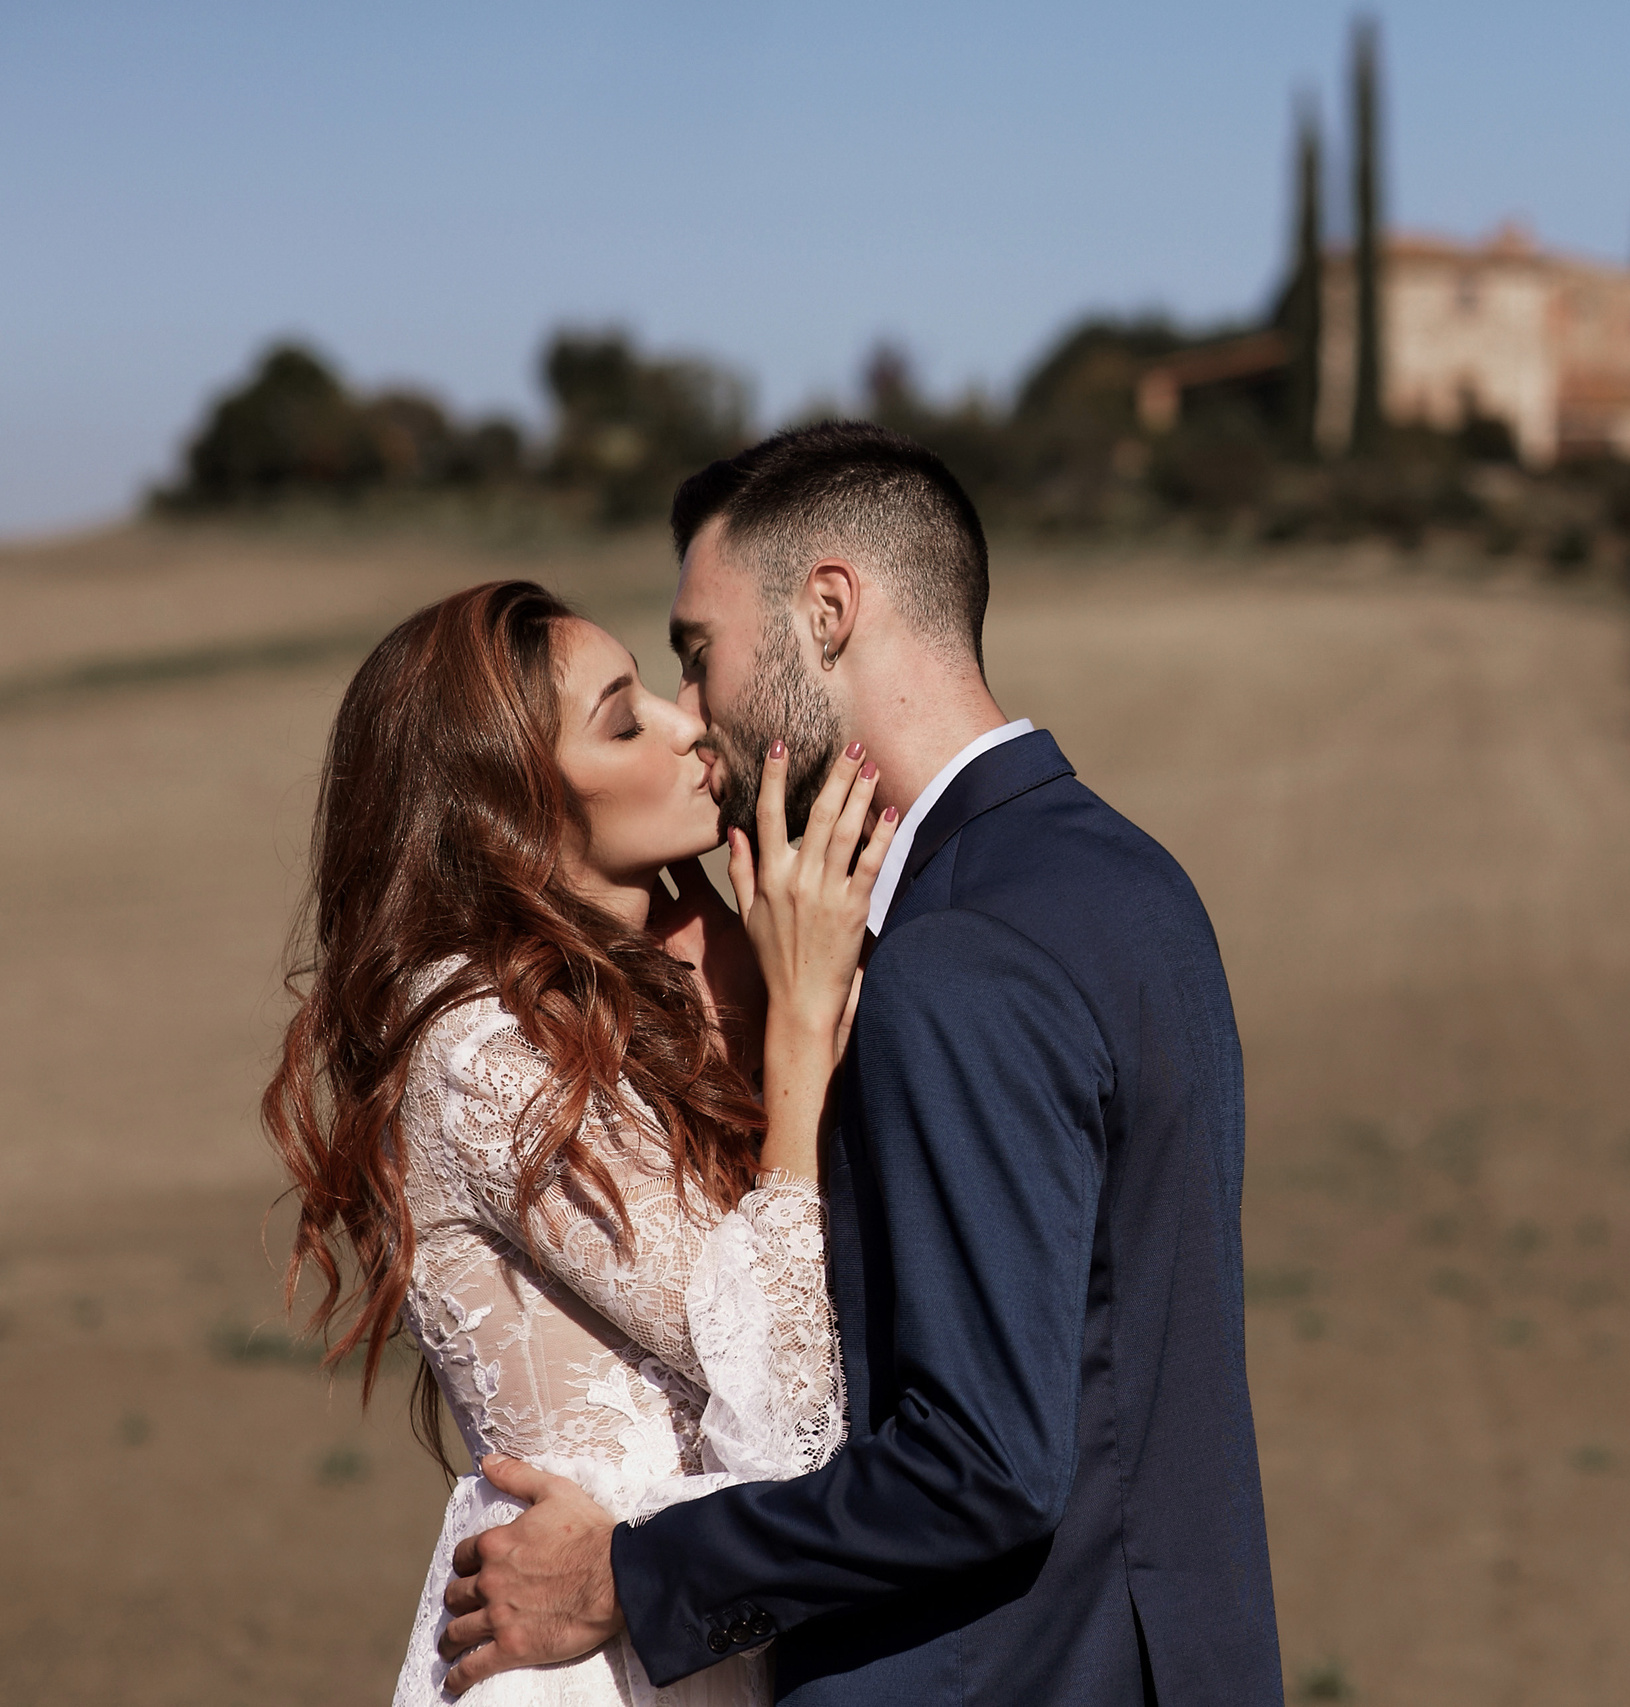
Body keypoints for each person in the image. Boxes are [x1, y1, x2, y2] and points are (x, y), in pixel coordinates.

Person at [433, 422, 1286, 1706]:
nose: (695, 719)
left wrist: (632, 1579)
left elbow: (979, 1463)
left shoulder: (954, 959)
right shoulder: (1130, 881)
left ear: (828, 608)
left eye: (697, 654)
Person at [265, 577, 898, 1705]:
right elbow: (795, 1420)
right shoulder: (481, 1052)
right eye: (624, 720)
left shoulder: (617, 1010)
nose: (689, 724)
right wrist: (802, 1038)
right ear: (510, 810)